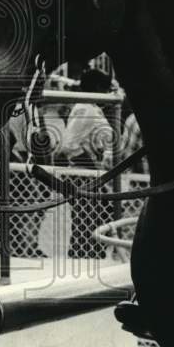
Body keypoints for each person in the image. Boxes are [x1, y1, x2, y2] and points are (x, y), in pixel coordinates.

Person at [59, 68, 115, 258]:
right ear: (97, 88)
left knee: (97, 213)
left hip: (91, 172)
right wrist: (90, 164)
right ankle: (84, 254)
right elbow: (68, 144)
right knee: (87, 216)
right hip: (84, 172)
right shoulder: (86, 109)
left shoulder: (91, 108)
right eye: (105, 89)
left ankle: (91, 251)